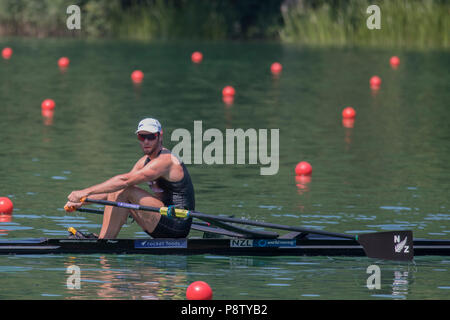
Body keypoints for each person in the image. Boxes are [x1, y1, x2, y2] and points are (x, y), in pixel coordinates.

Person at [64, 118, 195, 239]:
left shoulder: (166, 161)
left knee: (125, 189)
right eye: (142, 137)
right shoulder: (143, 162)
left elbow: (124, 181)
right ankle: (104, 240)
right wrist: (83, 201)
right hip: (161, 219)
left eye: (150, 136)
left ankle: (103, 242)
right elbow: (116, 191)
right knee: (121, 190)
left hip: (177, 223)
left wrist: (84, 192)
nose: (146, 141)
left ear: (160, 136)